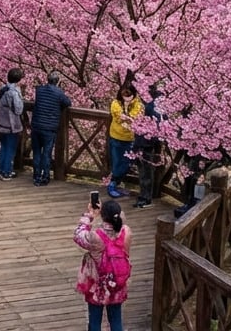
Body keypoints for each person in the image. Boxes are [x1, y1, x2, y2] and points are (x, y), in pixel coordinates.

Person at [74, 199, 133, 331]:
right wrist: (110, 212)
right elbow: (121, 221)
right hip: (117, 282)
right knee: (116, 320)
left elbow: (78, 235)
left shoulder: (96, 236)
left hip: (98, 285)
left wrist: (90, 215)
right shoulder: (126, 232)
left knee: (95, 321)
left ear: (103, 216)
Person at [30, 70, 71, 186]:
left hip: (36, 125)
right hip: (49, 128)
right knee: (46, 153)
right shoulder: (59, 93)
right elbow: (68, 103)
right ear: (58, 82)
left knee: (37, 152)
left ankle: (36, 176)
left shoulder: (39, 90)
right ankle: (45, 177)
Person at [108, 83, 143, 198]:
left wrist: (127, 114)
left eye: (129, 96)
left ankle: (116, 183)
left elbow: (134, 117)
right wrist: (126, 115)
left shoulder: (137, 104)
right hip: (116, 136)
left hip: (130, 138)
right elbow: (118, 117)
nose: (127, 98)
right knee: (117, 161)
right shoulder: (116, 103)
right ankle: (113, 184)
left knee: (127, 162)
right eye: (124, 96)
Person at [132, 85, 164, 209]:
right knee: (144, 172)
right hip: (144, 142)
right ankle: (144, 196)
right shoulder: (155, 105)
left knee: (146, 173)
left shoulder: (152, 107)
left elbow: (157, 125)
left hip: (146, 143)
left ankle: (145, 198)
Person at [0, 68, 24, 180]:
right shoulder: (14, 93)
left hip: (1, 123)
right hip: (11, 125)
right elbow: (18, 110)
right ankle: (7, 172)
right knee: (10, 149)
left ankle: (1, 170)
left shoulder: (3, 89)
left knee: (4, 147)